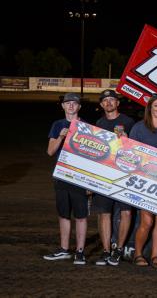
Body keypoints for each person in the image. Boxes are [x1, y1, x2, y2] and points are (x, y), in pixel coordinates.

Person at [129, 94, 157, 269]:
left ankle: (155, 256)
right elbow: (129, 151)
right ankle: (138, 254)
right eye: (156, 106)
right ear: (150, 108)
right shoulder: (139, 128)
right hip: (144, 178)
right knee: (146, 221)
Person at [44, 93, 88, 265]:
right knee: (63, 214)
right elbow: (50, 152)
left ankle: (80, 251)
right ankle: (64, 249)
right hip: (61, 176)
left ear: (79, 107)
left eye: (74, 103)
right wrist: (61, 136)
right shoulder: (57, 125)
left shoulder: (85, 126)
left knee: (81, 215)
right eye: (67, 103)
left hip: (79, 177)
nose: (70, 106)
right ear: (62, 106)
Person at [93, 89, 135, 266]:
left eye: (112, 100)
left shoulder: (128, 122)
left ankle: (118, 249)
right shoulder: (99, 123)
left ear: (118, 103)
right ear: (102, 105)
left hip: (124, 174)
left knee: (126, 211)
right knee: (104, 213)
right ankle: (106, 251)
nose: (109, 103)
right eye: (105, 101)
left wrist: (127, 140)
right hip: (104, 174)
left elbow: (138, 151)